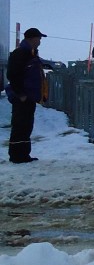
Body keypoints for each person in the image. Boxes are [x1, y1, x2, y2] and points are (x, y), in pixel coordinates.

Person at [6, 27, 46, 163]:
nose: (40, 41)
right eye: (38, 38)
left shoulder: (31, 53)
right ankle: (16, 155)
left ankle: (23, 154)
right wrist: (20, 94)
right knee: (20, 125)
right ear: (31, 38)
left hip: (29, 96)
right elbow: (13, 75)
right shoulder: (21, 53)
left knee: (26, 126)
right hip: (22, 97)